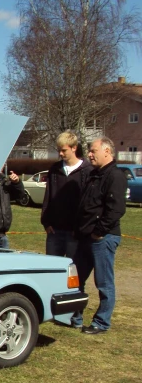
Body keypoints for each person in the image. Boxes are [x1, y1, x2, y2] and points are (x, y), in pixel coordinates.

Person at [70, 137, 127, 334]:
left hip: (103, 238)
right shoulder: (94, 175)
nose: (89, 155)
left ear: (107, 152)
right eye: (89, 151)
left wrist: (99, 232)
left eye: (93, 151)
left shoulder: (115, 176)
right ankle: (74, 315)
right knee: (75, 280)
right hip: (85, 237)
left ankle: (101, 322)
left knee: (103, 282)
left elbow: (116, 210)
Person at [41, 131, 93, 258]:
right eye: (59, 150)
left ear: (74, 148)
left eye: (64, 150)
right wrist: (46, 222)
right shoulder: (55, 169)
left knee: (73, 271)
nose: (60, 153)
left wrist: (82, 227)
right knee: (52, 269)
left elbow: (89, 202)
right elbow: (48, 196)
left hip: (75, 232)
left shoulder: (88, 171)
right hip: (55, 230)